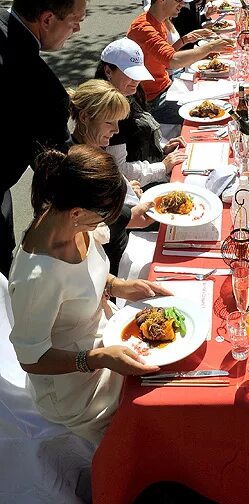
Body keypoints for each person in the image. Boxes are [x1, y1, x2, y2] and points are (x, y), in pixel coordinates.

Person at [8, 144, 171, 446]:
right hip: (77, 390)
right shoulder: (38, 278)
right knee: (150, 431)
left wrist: (115, 285)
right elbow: (31, 359)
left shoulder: (68, 220)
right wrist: (96, 359)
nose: (104, 224)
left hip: (111, 342)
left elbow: (86, 275)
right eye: (101, 217)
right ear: (77, 212)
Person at [0, 0, 89, 276]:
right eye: (74, 22)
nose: (76, 30)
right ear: (48, 19)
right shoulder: (41, 87)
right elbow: (60, 171)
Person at [68, 79, 159, 273]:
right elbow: (79, 224)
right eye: (109, 122)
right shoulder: (79, 165)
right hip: (111, 262)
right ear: (84, 117)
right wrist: (126, 214)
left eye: (118, 122)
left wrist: (126, 189)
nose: (116, 130)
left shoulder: (94, 151)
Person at [127, 0, 233, 126]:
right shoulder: (144, 28)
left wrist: (185, 40)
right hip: (154, 101)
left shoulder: (158, 21)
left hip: (168, 88)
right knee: (218, 115)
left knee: (221, 101)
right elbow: (172, 61)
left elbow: (161, 58)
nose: (182, 4)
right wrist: (210, 47)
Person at [95, 37, 187, 185]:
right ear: (108, 71)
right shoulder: (107, 112)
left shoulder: (131, 93)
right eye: (130, 75)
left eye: (138, 75)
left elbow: (139, 136)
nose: (136, 82)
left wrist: (161, 146)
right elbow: (119, 169)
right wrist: (162, 167)